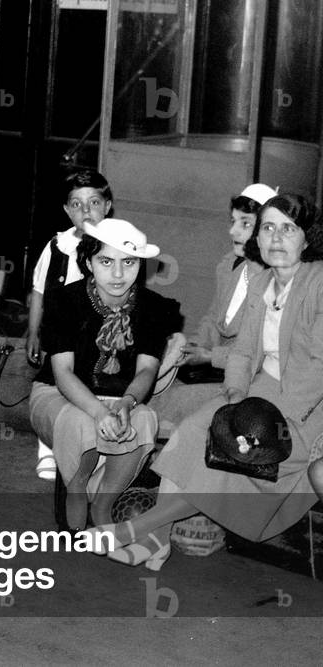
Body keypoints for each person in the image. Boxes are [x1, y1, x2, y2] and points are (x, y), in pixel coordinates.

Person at [87, 194, 323, 572]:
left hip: (307, 409)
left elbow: (318, 367)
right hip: (257, 391)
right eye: (268, 228)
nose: (276, 237)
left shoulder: (319, 282)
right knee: (192, 432)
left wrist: (261, 413)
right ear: (258, 240)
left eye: (288, 228)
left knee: (230, 459)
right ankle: (157, 543)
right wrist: (233, 395)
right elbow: (244, 352)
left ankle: (136, 530)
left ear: (306, 238)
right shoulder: (263, 282)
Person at [29, 218, 176, 530]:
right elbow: (63, 373)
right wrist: (98, 411)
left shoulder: (154, 307)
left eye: (129, 262)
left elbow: (148, 369)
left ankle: (105, 501)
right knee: (80, 421)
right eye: (106, 261)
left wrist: (127, 402)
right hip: (58, 394)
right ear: (88, 262)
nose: (119, 274)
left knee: (144, 419)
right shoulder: (63, 301)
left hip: (120, 395)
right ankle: (77, 489)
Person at [151, 183, 277, 432]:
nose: (232, 231)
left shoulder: (274, 282)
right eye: (232, 221)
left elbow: (259, 354)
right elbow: (213, 318)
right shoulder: (229, 265)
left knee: (166, 406)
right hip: (216, 369)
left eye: (245, 224)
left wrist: (209, 357)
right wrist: (194, 346)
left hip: (248, 382)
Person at [26, 169, 114, 480]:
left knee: (91, 382)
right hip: (59, 333)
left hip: (98, 334)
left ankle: (91, 444)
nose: (85, 210)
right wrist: (33, 332)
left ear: (107, 205)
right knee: (55, 381)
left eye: (93, 202)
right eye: (76, 204)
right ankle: (47, 447)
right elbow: (38, 291)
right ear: (66, 210)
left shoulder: (116, 246)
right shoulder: (56, 246)